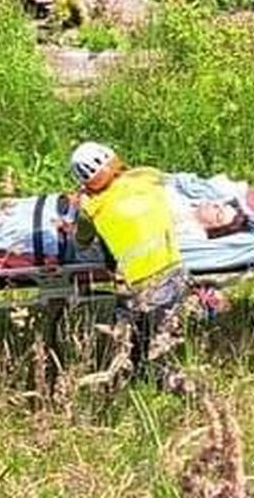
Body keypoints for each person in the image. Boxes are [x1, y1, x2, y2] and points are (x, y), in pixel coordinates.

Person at [69, 141, 190, 386]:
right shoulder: (145, 176)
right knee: (151, 346)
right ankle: (146, 382)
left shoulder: (91, 208)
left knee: (142, 349)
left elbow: (81, 243)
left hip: (142, 288)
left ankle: (186, 391)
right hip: (176, 274)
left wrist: (81, 206)